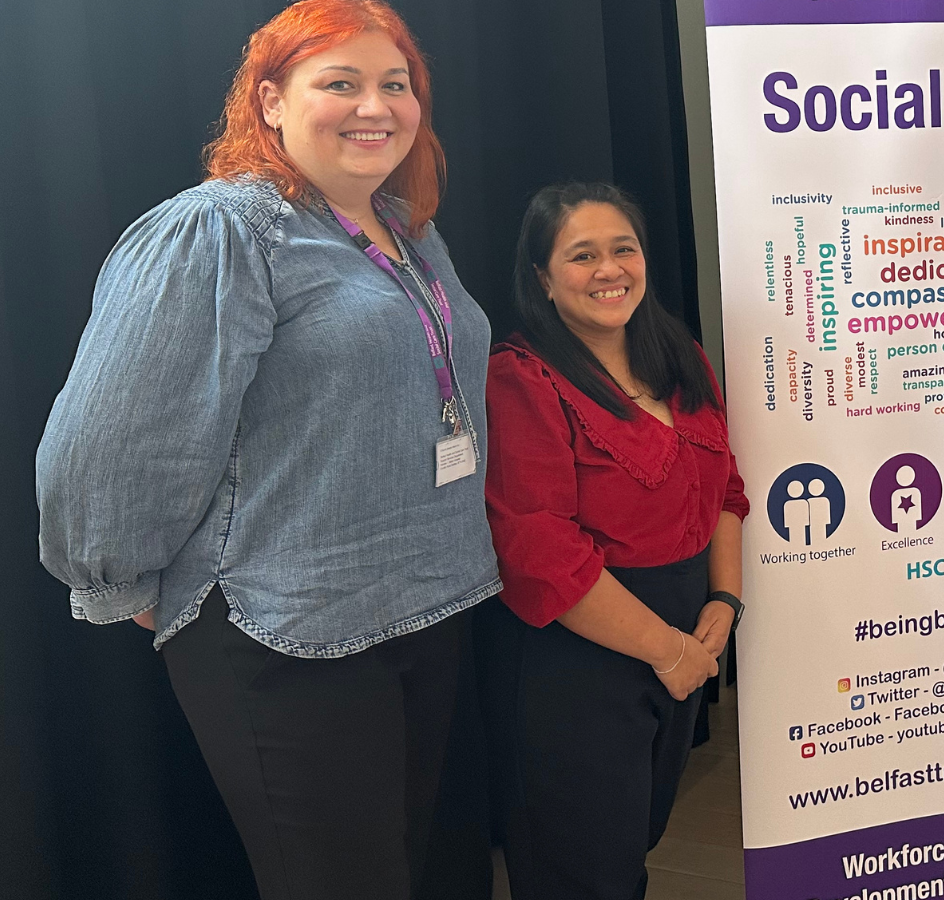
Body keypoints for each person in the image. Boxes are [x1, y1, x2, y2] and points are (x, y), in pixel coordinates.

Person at [34, 2, 500, 898]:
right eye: (341, 82)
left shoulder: (406, 229)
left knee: (413, 871)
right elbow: (112, 439)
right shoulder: (221, 230)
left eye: (395, 83)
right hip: (284, 626)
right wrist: (120, 579)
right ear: (272, 101)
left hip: (428, 599)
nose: (376, 106)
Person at [479, 181, 749, 899]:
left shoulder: (680, 357)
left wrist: (724, 603)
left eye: (623, 248)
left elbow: (727, 492)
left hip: (684, 641)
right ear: (542, 277)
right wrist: (669, 651)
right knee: (583, 876)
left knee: (632, 849)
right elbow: (539, 552)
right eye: (582, 255)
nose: (609, 270)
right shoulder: (522, 377)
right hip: (577, 662)